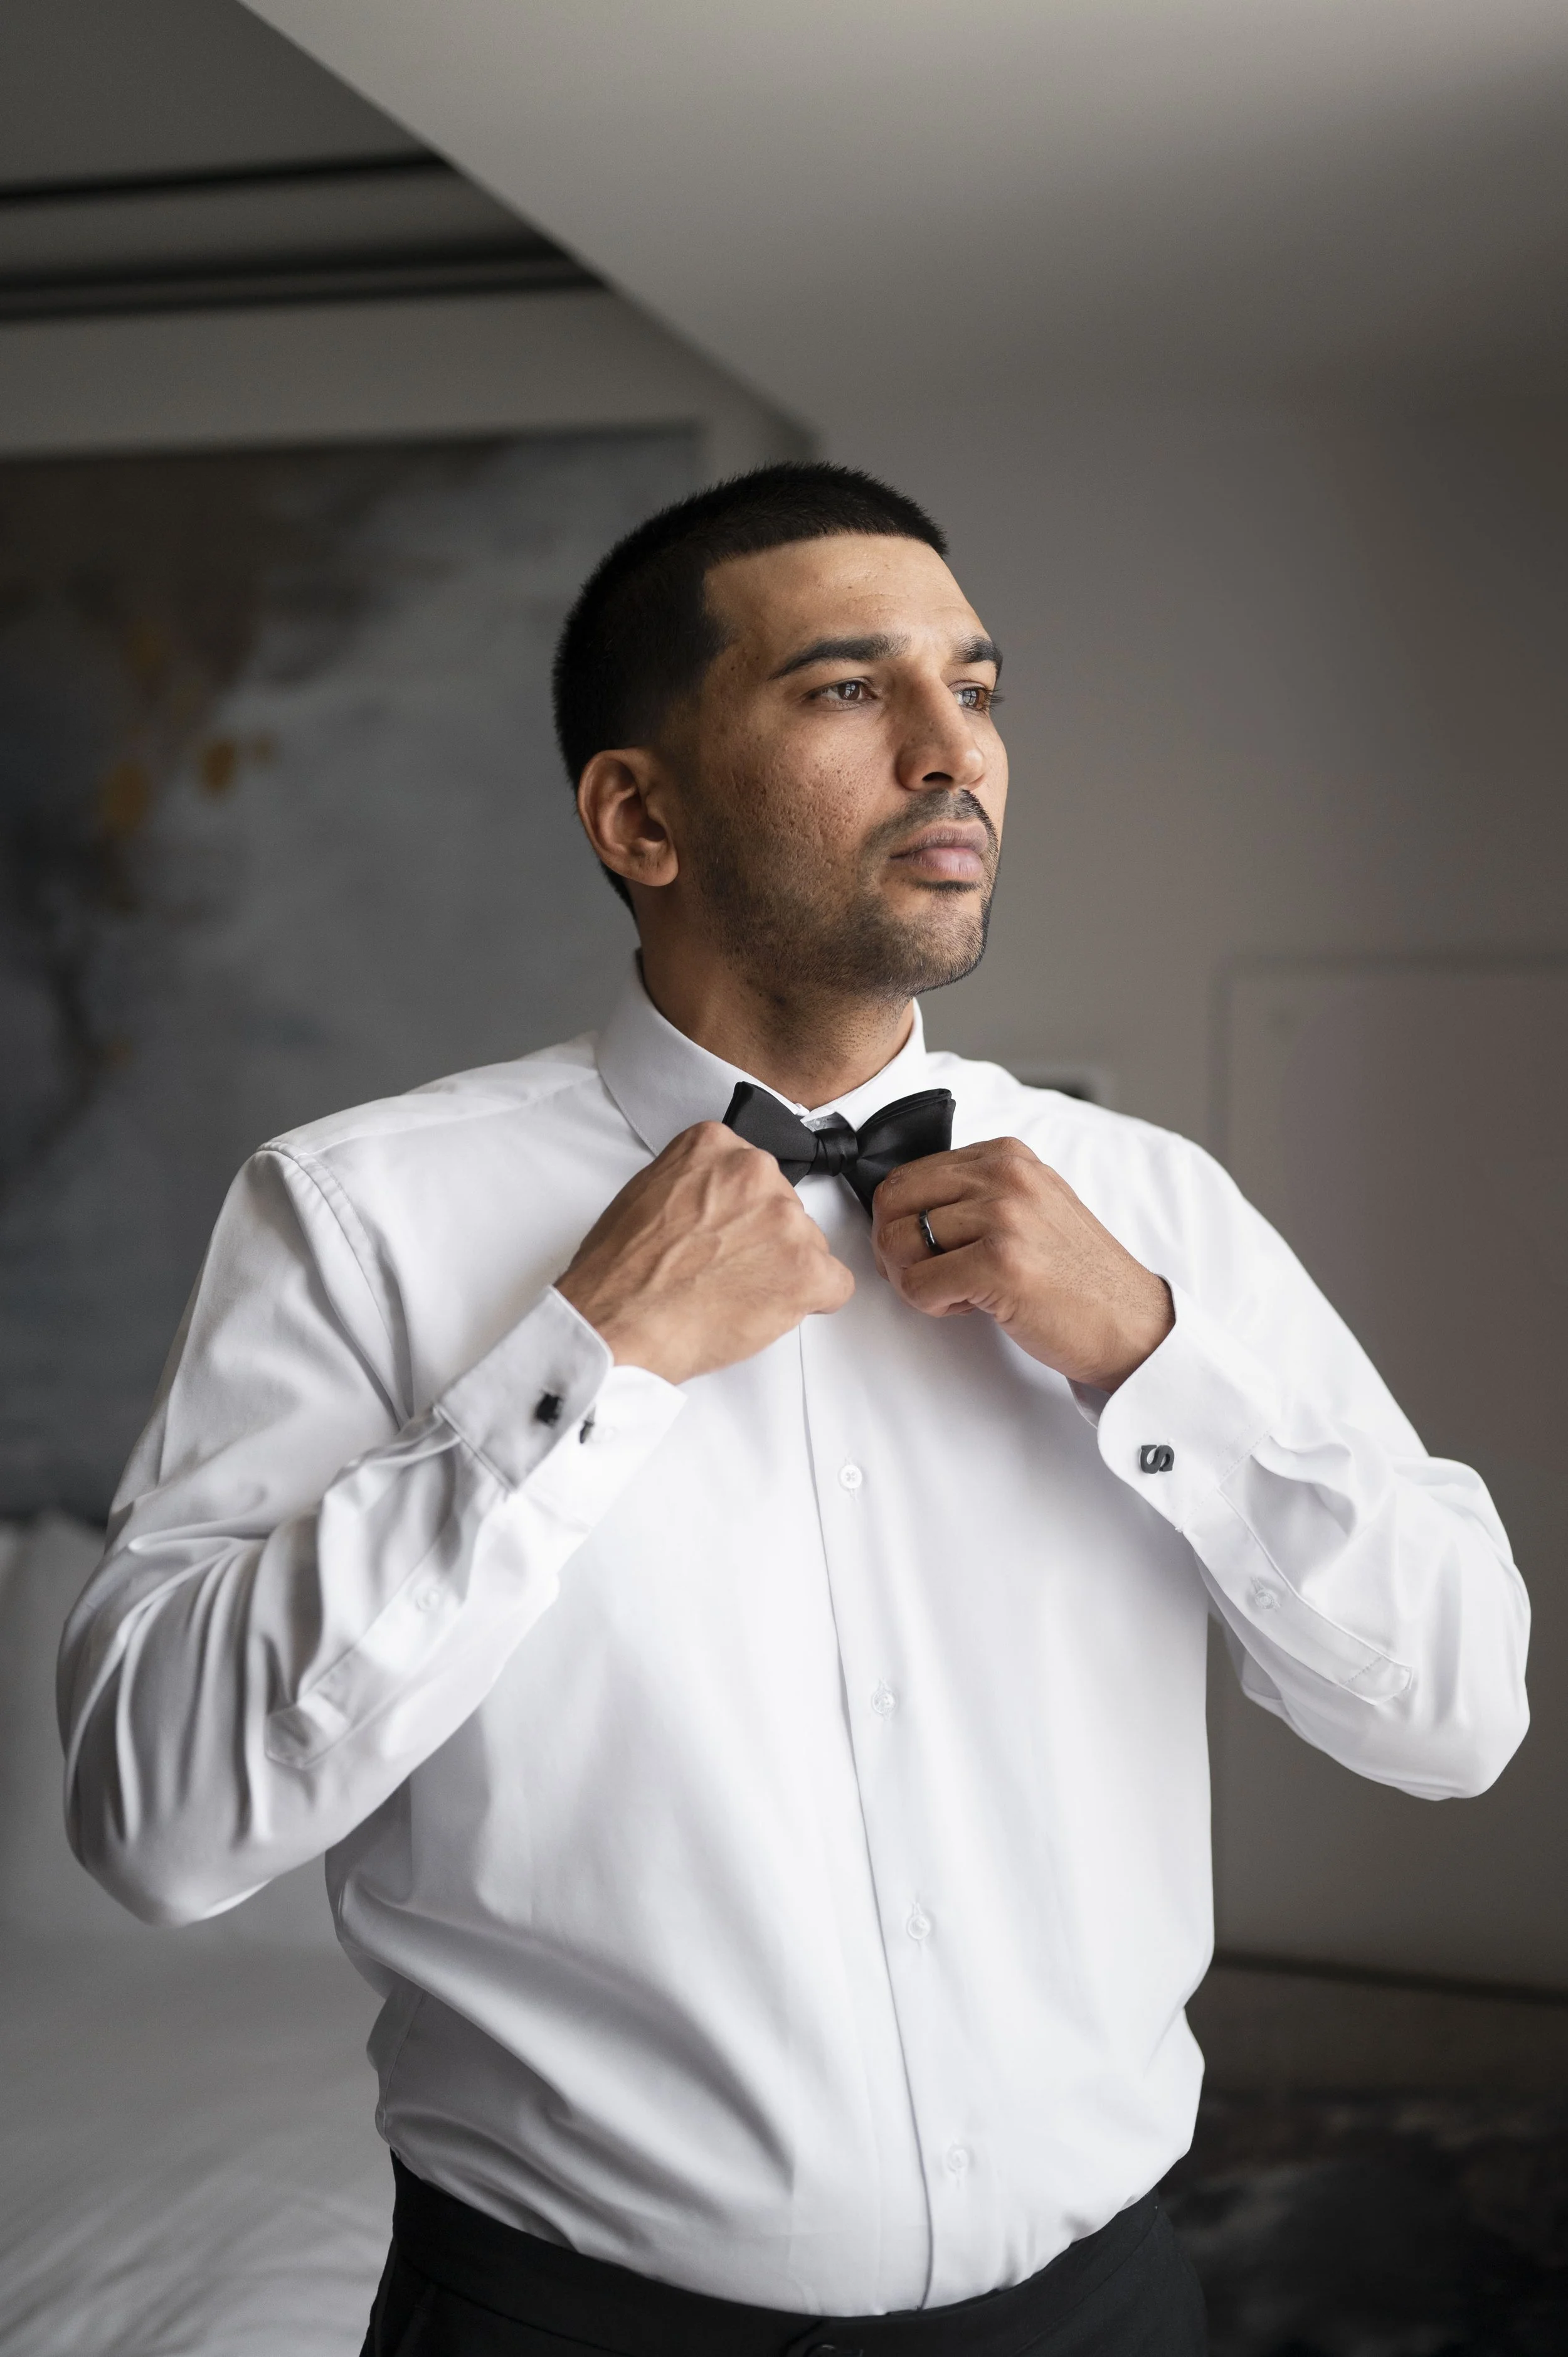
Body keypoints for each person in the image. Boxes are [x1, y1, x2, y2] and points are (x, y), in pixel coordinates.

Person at [61, 464, 1529, 2357]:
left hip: (1103, 2311)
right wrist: (586, 1362)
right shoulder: (354, 1215)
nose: (951, 753)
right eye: (849, 690)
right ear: (639, 812)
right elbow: (156, 1821)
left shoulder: (1148, 1212)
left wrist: (1146, 1356)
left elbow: (1457, 1711)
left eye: (976, 689)